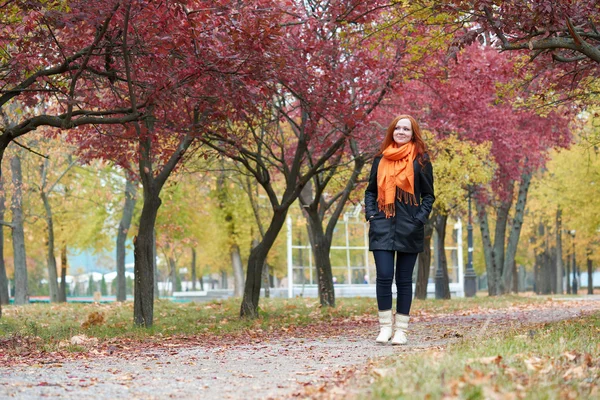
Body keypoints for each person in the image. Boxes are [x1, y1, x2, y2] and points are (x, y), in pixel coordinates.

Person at [364, 115, 435, 345]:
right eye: (398, 128)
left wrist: (419, 220)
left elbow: (428, 196)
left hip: (409, 227)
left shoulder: (421, 160)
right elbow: (371, 191)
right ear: (392, 131)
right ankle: (385, 328)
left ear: (413, 133)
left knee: (404, 279)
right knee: (384, 277)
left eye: (406, 129)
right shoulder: (380, 159)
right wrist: (372, 215)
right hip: (382, 225)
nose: (401, 132)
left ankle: (401, 330)